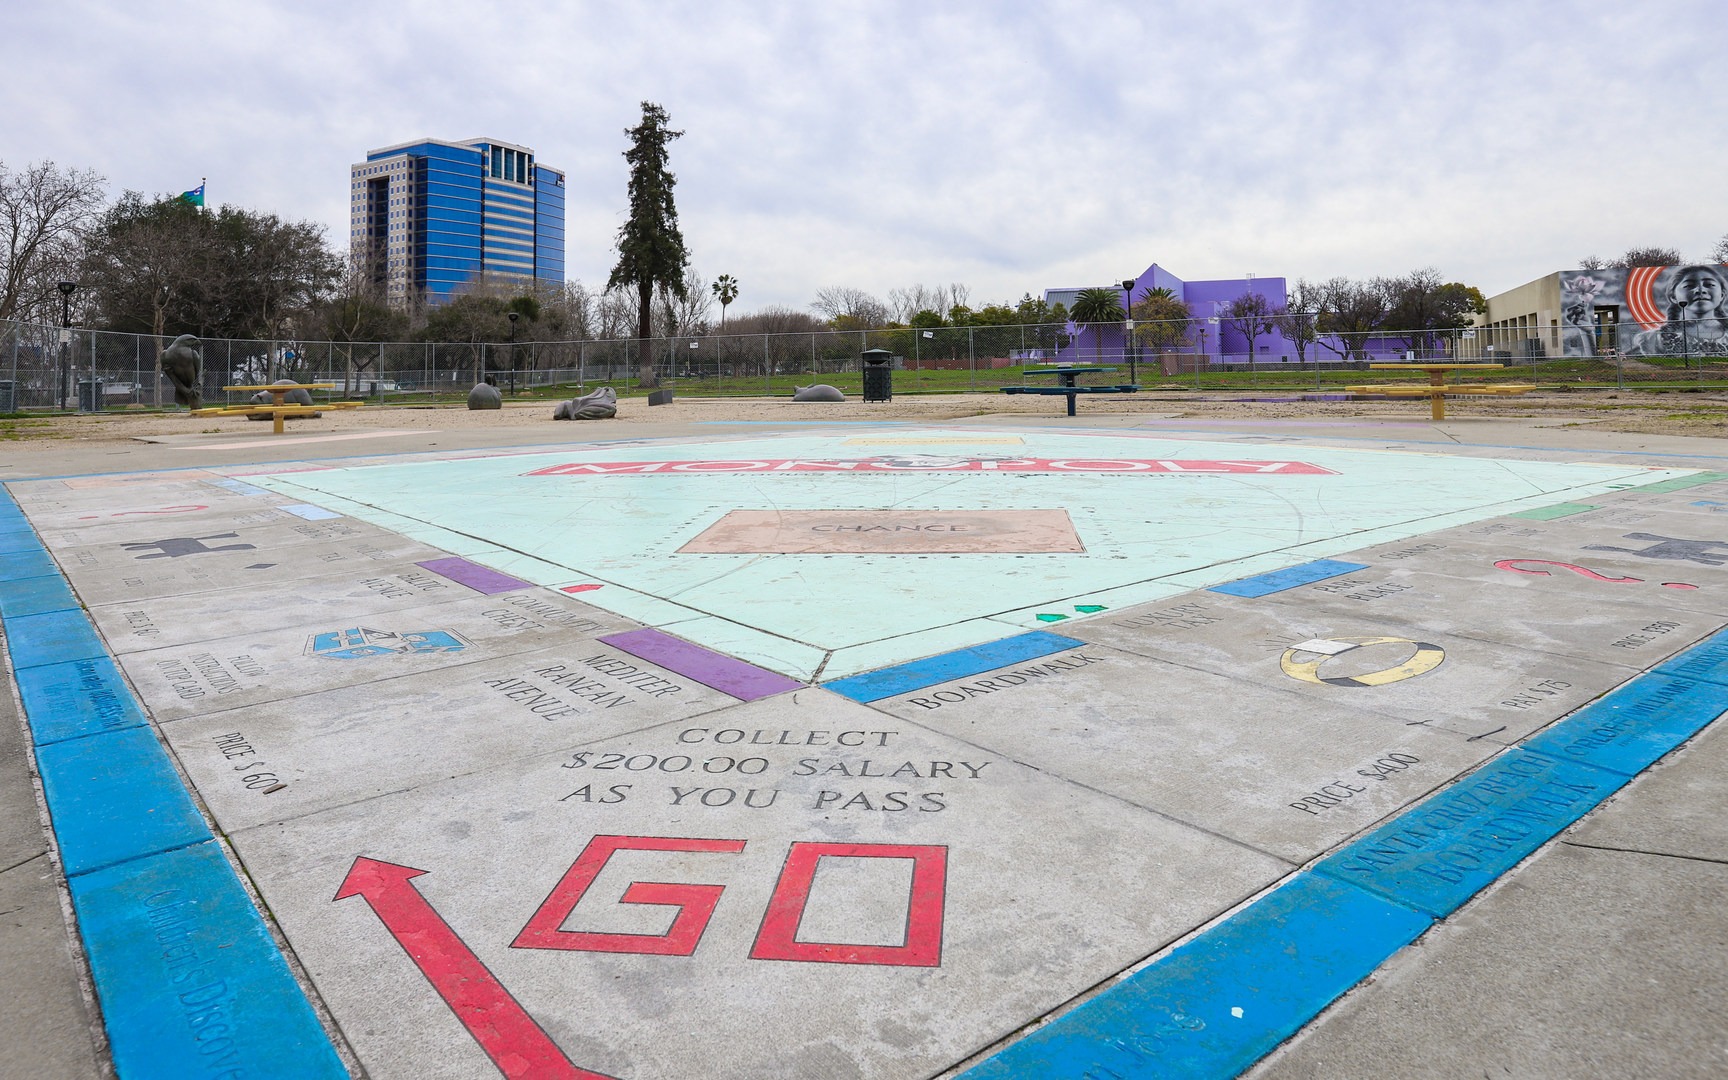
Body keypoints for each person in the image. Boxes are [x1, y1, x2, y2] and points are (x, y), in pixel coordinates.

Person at [1625, 264, 1728, 356]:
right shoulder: (1654, 339)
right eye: (1689, 285)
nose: (1700, 290)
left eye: (1709, 285)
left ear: (1722, 295)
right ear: (1673, 297)